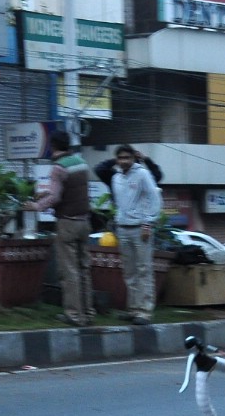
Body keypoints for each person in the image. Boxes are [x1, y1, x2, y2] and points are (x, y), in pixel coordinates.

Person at [27, 132, 97, 326]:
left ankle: (74, 315)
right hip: (85, 221)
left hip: (67, 222)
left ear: (53, 146)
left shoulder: (58, 168)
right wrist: (47, 194)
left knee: (70, 271)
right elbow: (69, 191)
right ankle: (88, 313)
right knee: (84, 269)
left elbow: (56, 198)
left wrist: (36, 206)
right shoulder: (81, 163)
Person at [94, 145, 162, 325]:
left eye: (127, 158)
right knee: (129, 272)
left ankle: (145, 311)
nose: (124, 161)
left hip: (140, 228)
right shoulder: (116, 177)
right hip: (122, 227)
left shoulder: (142, 174)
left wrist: (148, 222)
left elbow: (154, 199)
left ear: (133, 158)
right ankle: (133, 309)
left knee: (143, 270)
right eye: (120, 158)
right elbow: (100, 169)